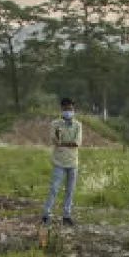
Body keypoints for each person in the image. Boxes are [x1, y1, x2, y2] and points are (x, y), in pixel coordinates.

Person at [41, 97, 81, 226]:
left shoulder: (78, 125)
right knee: (54, 188)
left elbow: (76, 143)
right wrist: (62, 142)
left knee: (70, 190)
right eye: (65, 109)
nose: (68, 111)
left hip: (73, 162)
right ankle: (46, 214)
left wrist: (62, 143)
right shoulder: (55, 124)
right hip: (59, 161)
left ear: (73, 109)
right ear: (61, 109)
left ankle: (66, 215)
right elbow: (55, 141)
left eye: (70, 109)